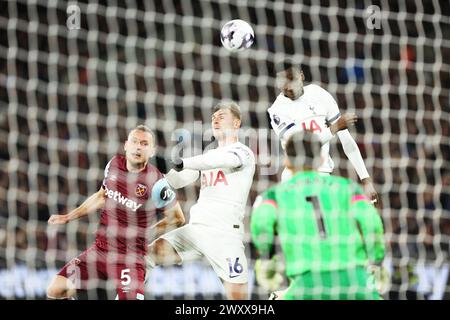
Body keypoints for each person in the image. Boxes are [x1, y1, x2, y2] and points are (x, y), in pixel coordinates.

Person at [46, 125, 185, 300]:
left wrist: (147, 232)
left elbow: (178, 218)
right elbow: (101, 196)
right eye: (134, 141)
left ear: (151, 151)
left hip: (130, 259)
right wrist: (67, 217)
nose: (138, 147)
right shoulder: (113, 165)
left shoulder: (157, 183)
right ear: (126, 145)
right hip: (100, 251)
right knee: (56, 290)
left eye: (144, 143)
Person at [250, 131, 387, 300]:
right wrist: (377, 261)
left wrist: (267, 257)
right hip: (354, 280)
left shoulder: (274, 195)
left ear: (287, 161)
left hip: (308, 283)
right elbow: (371, 223)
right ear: (321, 160)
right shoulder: (348, 188)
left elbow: (261, 225)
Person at [146, 101, 256, 300]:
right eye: (213, 117)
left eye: (221, 116)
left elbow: (222, 161)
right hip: (196, 231)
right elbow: (180, 180)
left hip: (224, 235)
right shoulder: (208, 155)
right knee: (148, 255)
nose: (215, 120)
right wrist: (163, 169)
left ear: (237, 123)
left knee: (240, 302)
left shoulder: (243, 153)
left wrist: (180, 162)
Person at [268, 59, 380, 206]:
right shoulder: (277, 110)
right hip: (295, 179)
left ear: (301, 76)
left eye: (291, 79)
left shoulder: (318, 94)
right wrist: (334, 127)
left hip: (323, 176)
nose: (288, 86)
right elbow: (300, 147)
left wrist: (366, 180)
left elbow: (347, 141)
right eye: (282, 82)